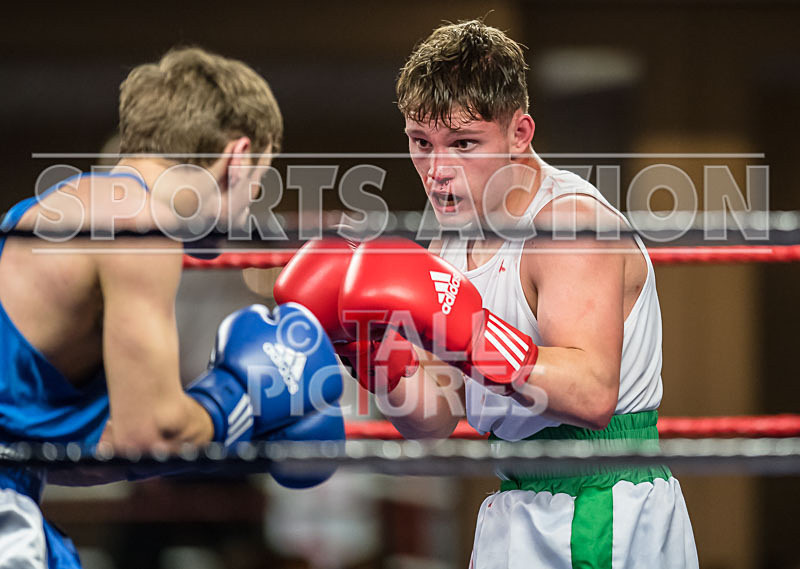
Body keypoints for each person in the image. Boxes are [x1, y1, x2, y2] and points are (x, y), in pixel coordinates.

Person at [278, 20, 698, 568]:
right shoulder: (446, 238)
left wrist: (473, 336)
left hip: (604, 500)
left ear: (520, 133)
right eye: (421, 143)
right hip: (514, 497)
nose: (437, 170)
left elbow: (592, 395)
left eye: (464, 144)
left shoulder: (569, 224)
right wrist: (368, 349)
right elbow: (433, 421)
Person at [0, 47, 344, 569]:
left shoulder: (53, 209)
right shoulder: (139, 224)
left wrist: (221, 418)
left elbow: (82, 455)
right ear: (238, 157)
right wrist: (241, 397)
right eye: (259, 182)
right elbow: (153, 434)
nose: (250, 206)